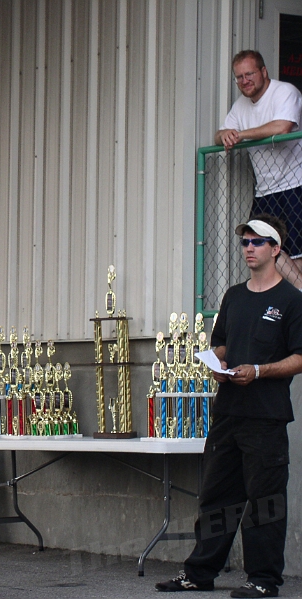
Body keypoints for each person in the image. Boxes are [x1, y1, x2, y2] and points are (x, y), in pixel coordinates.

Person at [156, 215, 302, 598]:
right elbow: (220, 344)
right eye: (245, 242)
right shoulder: (234, 296)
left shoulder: (291, 300)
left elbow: (300, 357)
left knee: (264, 500)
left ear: (276, 249)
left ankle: (264, 580)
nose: (249, 248)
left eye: (257, 242)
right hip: (228, 414)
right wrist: (218, 365)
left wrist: (260, 370)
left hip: (266, 417)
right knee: (217, 495)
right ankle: (200, 573)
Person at [214, 50, 302, 287]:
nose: (244, 81)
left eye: (249, 74)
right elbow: (219, 134)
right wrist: (226, 135)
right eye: (239, 77)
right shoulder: (240, 105)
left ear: (263, 71)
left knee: (296, 252)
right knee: (263, 243)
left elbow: (283, 126)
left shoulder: (285, 92)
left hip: (295, 185)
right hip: (265, 190)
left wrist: (240, 135)